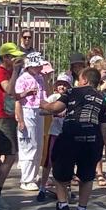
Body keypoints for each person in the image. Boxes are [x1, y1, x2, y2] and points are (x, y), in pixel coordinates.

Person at [43, 66, 106, 210]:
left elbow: (55, 108)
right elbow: (105, 127)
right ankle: (82, 209)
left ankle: (63, 206)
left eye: (79, 79)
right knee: (87, 176)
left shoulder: (72, 92)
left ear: (84, 80)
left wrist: (43, 104)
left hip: (70, 137)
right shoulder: (102, 98)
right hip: (91, 140)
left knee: (60, 173)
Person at [0, 43, 22, 208]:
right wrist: (16, 71)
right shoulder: (1, 72)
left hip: (8, 116)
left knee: (7, 156)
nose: (16, 59)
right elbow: (8, 90)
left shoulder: (10, 71)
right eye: (13, 56)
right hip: (1, 117)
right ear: (5, 57)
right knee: (9, 155)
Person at [14, 52, 48, 192]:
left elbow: (44, 95)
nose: (40, 68)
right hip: (27, 111)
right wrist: (20, 119)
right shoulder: (22, 79)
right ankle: (26, 179)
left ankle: (33, 175)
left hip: (38, 110)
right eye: (37, 65)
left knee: (38, 145)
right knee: (29, 146)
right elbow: (17, 99)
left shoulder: (40, 78)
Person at [38, 72, 71, 202]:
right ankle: (42, 188)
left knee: (67, 163)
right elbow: (41, 111)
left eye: (65, 84)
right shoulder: (54, 97)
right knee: (49, 162)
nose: (62, 87)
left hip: (68, 134)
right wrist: (54, 112)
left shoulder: (72, 97)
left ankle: (66, 190)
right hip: (54, 133)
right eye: (60, 84)